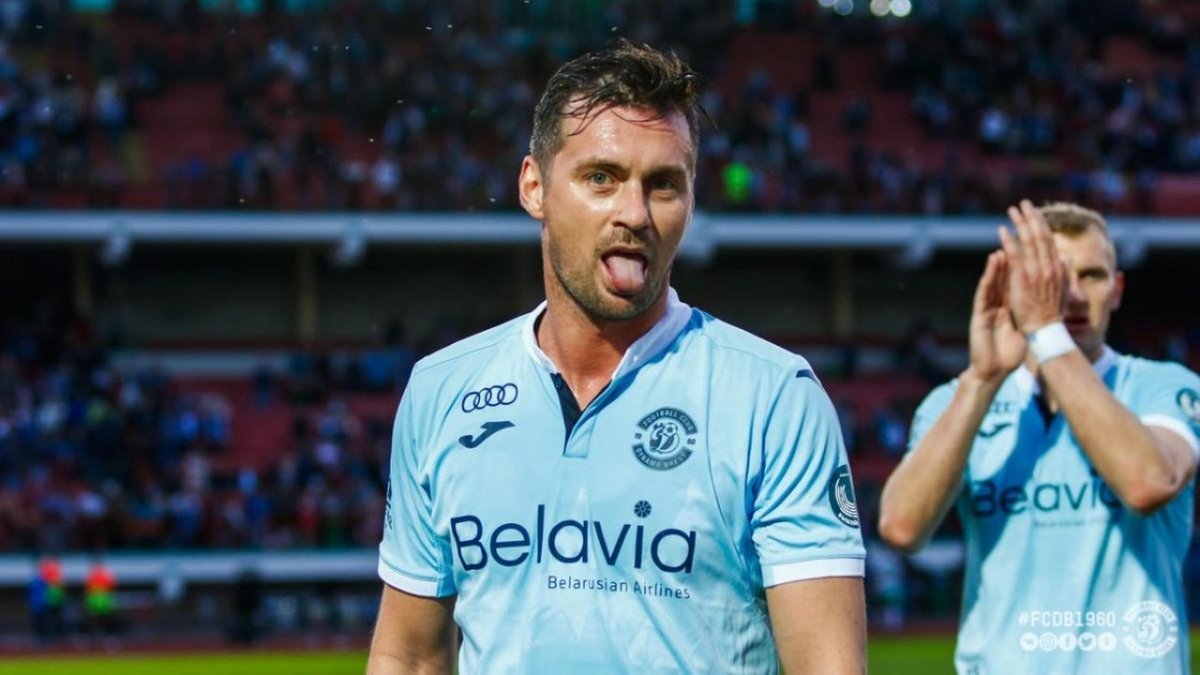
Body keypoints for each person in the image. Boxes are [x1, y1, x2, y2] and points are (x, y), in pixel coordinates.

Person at [368, 41, 866, 674]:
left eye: (663, 185)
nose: (634, 214)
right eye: (601, 178)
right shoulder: (441, 390)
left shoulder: (773, 398)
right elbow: (410, 657)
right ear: (534, 187)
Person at [879, 200, 1200, 673]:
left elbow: (1147, 483)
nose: (1072, 294)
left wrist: (1048, 334)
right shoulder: (959, 399)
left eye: (1092, 275)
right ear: (1016, 287)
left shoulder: (1162, 387)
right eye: (1053, 275)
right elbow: (901, 528)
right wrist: (981, 380)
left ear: (1117, 289)